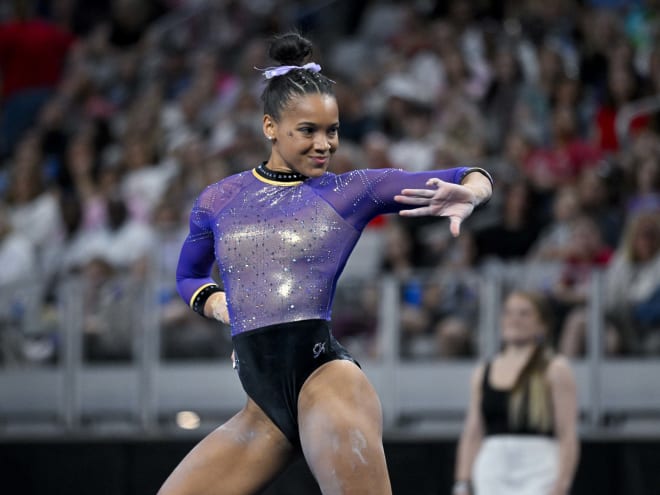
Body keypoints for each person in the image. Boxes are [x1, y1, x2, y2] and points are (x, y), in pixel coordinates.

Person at [159, 32, 493, 495]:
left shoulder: (350, 191)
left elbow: (467, 174)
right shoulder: (218, 199)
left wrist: (472, 194)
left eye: (332, 130)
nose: (325, 145)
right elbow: (188, 274)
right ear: (271, 127)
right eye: (308, 131)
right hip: (263, 407)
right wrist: (217, 305)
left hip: (326, 383)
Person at [452, 290, 579, 495]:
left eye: (524, 313)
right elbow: (473, 432)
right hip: (492, 467)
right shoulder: (483, 371)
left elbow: (567, 433)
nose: (515, 319)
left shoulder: (556, 369)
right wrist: (462, 482)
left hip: (539, 466)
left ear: (542, 324)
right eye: (509, 313)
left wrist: (562, 484)